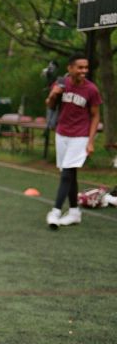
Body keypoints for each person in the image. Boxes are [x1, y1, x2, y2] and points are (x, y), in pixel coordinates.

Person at [44, 53, 102, 229]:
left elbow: (95, 116)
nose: (84, 71)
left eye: (86, 68)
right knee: (70, 174)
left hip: (80, 136)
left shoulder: (91, 90)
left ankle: (55, 211)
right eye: (80, 67)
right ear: (70, 68)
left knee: (66, 174)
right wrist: (54, 94)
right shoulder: (62, 83)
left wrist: (90, 141)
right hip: (62, 134)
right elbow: (50, 105)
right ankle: (75, 212)